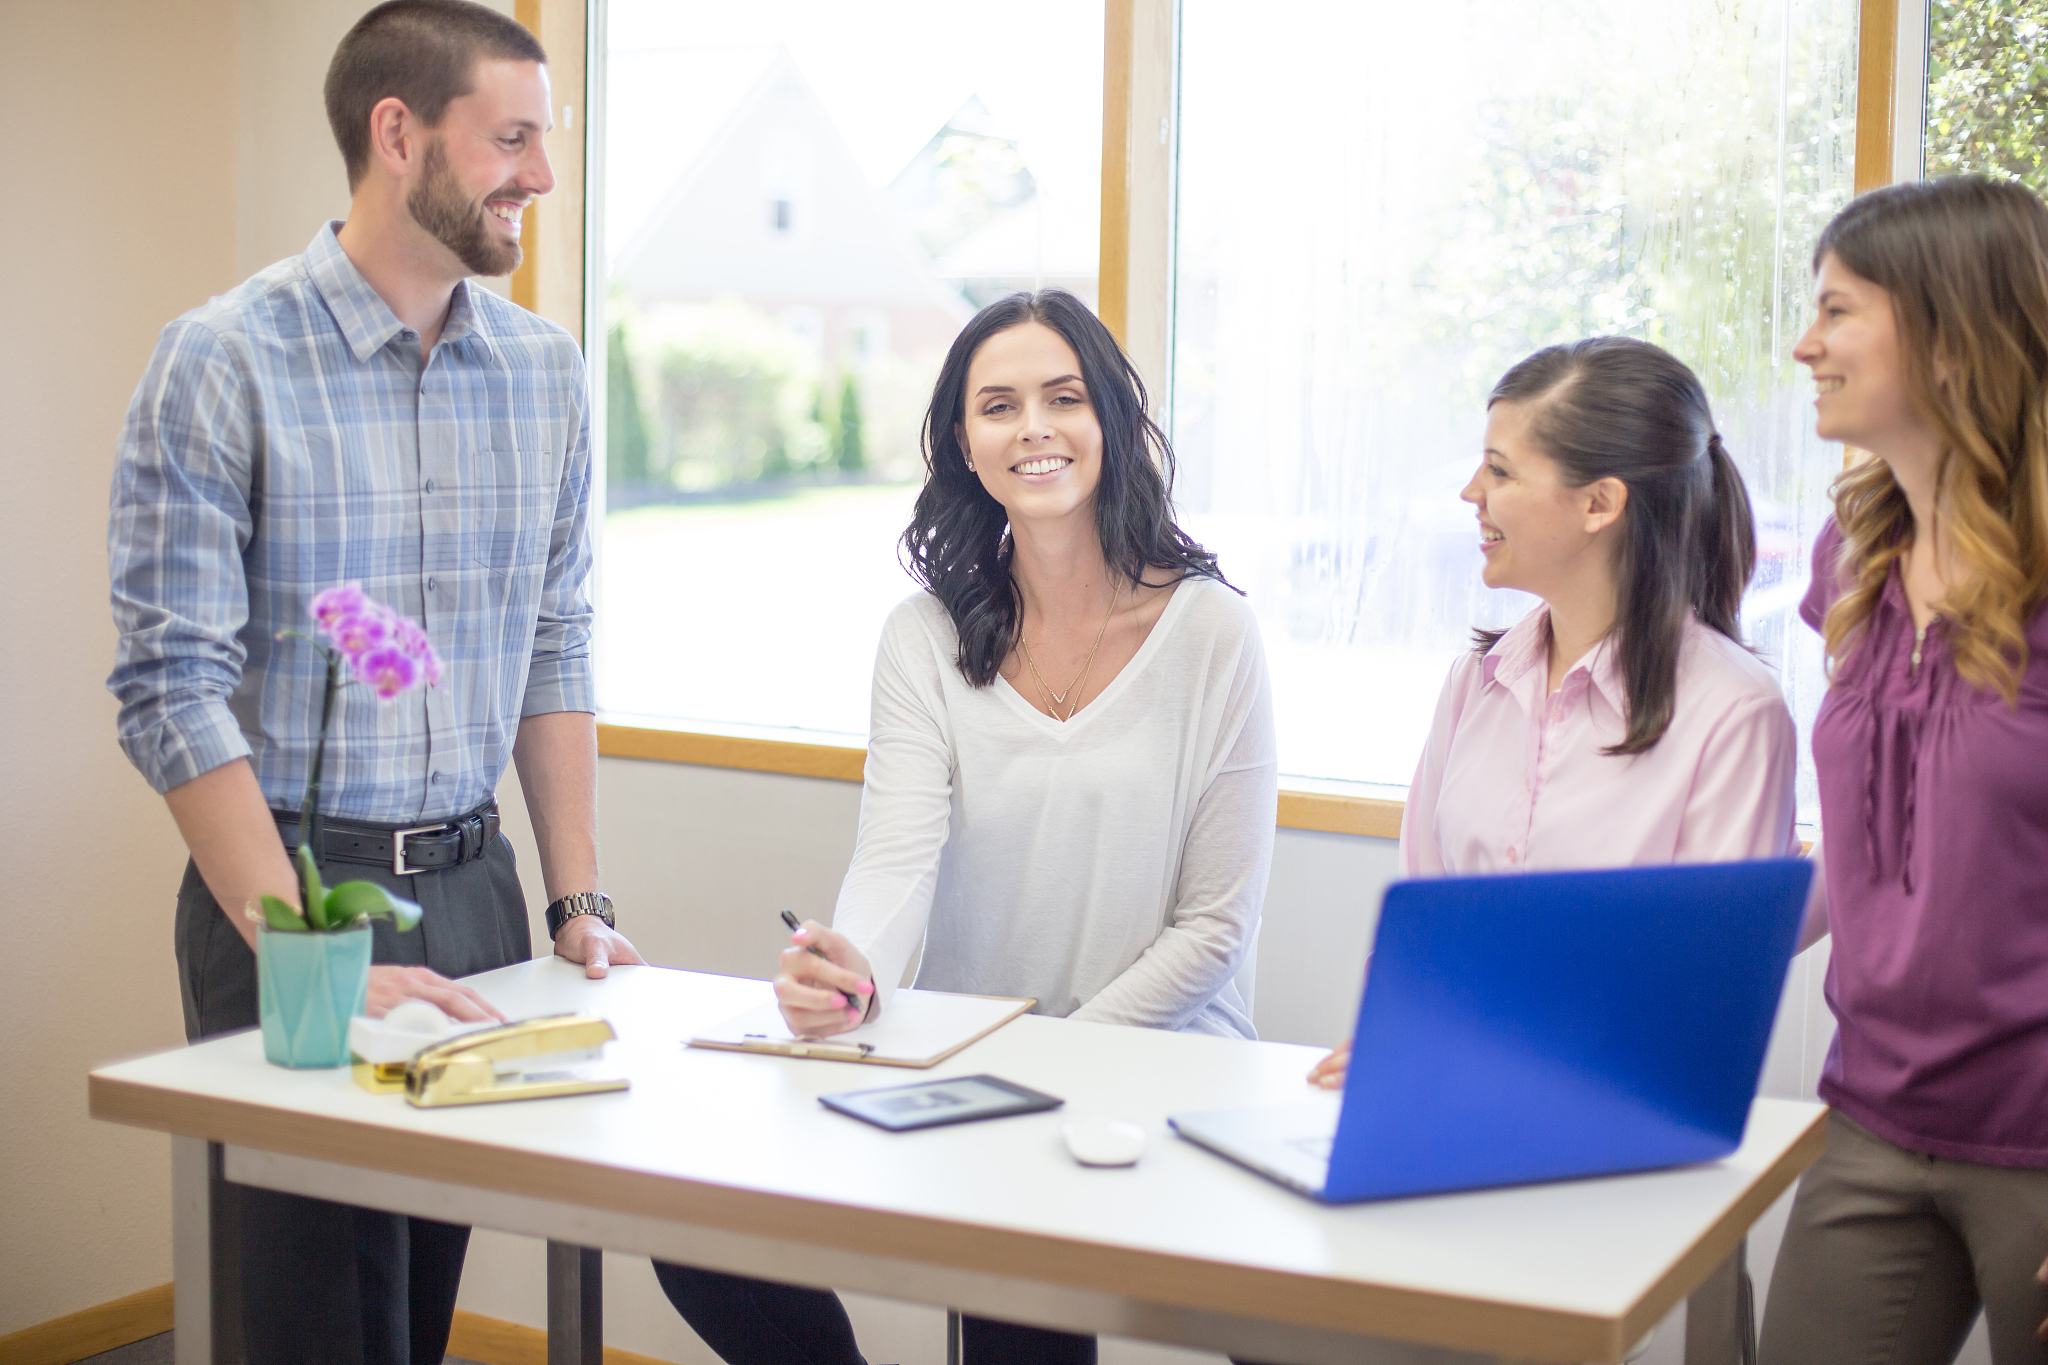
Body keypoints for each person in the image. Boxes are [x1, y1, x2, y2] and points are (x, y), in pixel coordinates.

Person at [105, 4, 640, 1363]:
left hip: (477, 896)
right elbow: (171, 686)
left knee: (414, 1317)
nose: (541, 175)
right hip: (298, 891)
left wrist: (577, 900)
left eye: (547, 139)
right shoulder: (224, 360)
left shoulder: (546, 376)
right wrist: (304, 944)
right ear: (396, 135)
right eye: (510, 138)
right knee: (310, 1332)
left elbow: (555, 641)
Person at [653, 289, 1277, 1365]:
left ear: (1112, 423)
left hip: (1159, 1071)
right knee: (693, 1230)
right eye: (997, 405)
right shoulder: (923, 637)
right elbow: (896, 857)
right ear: (961, 444)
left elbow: (1213, 927)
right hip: (976, 1070)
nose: (1031, 426)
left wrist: (1045, 1053)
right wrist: (855, 971)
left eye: (1062, 397)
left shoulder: (1212, 632)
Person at [1301, 337, 1798, 1365]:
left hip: (1624, 1169)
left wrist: (1468, 1055)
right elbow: (1424, 914)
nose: (1467, 491)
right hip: (1443, 1143)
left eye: (1499, 469)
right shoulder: (1471, 684)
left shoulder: (1732, 711)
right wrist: (1397, 1038)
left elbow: (1693, 994)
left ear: (1598, 503)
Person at [1757, 177, 2048, 1365]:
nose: (1802, 344)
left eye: (1836, 311)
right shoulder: (1854, 552)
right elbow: (1883, 836)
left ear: (1946, 328)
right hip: (1876, 1115)